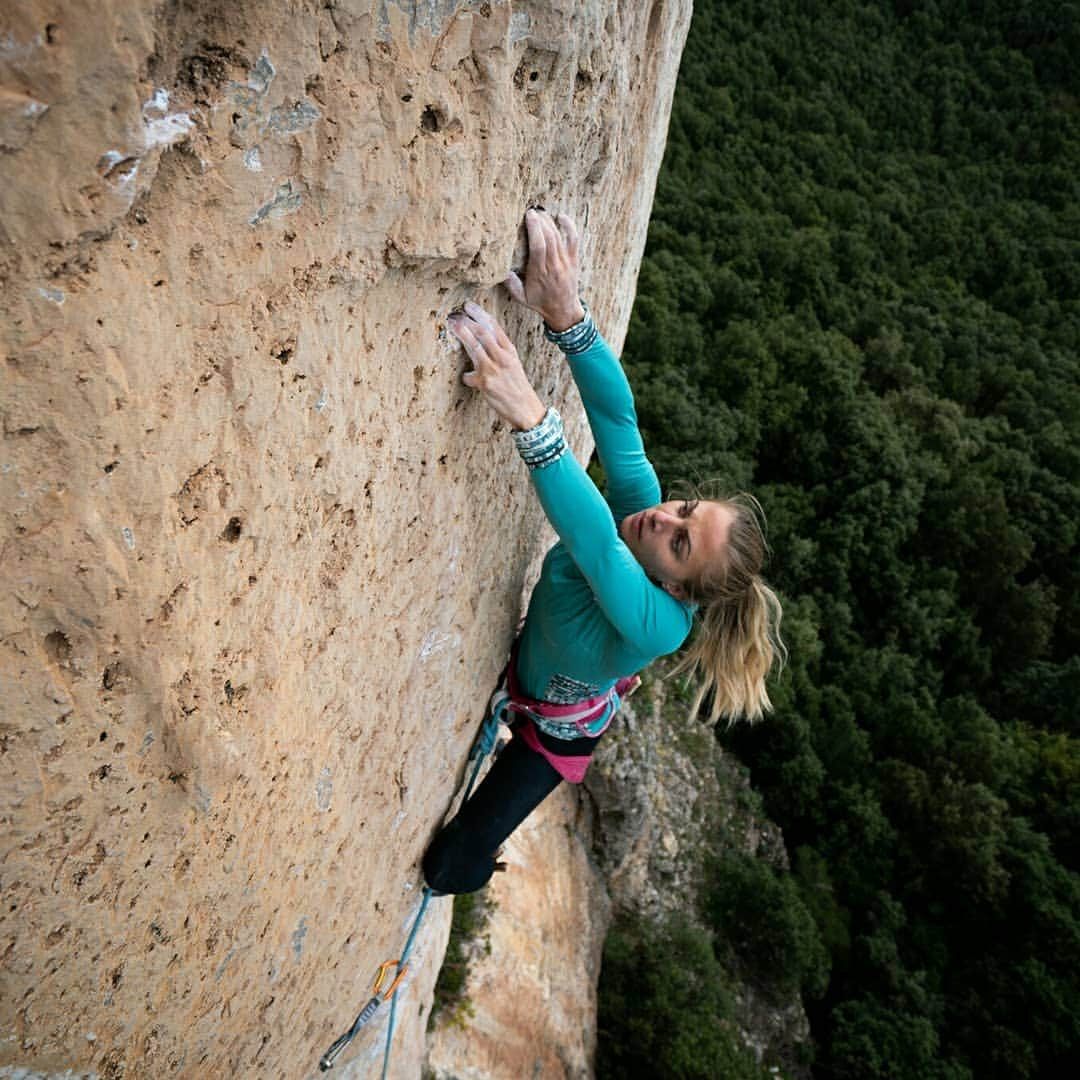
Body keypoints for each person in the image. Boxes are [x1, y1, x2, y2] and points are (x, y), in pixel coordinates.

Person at [422, 209, 785, 895]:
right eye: (686, 510)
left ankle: (478, 871)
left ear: (677, 588)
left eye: (679, 543)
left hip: (554, 734)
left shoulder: (661, 624)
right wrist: (566, 315)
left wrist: (529, 412)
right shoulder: (641, 512)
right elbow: (620, 423)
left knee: (448, 865)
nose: (659, 518)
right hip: (545, 675)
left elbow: (595, 546)